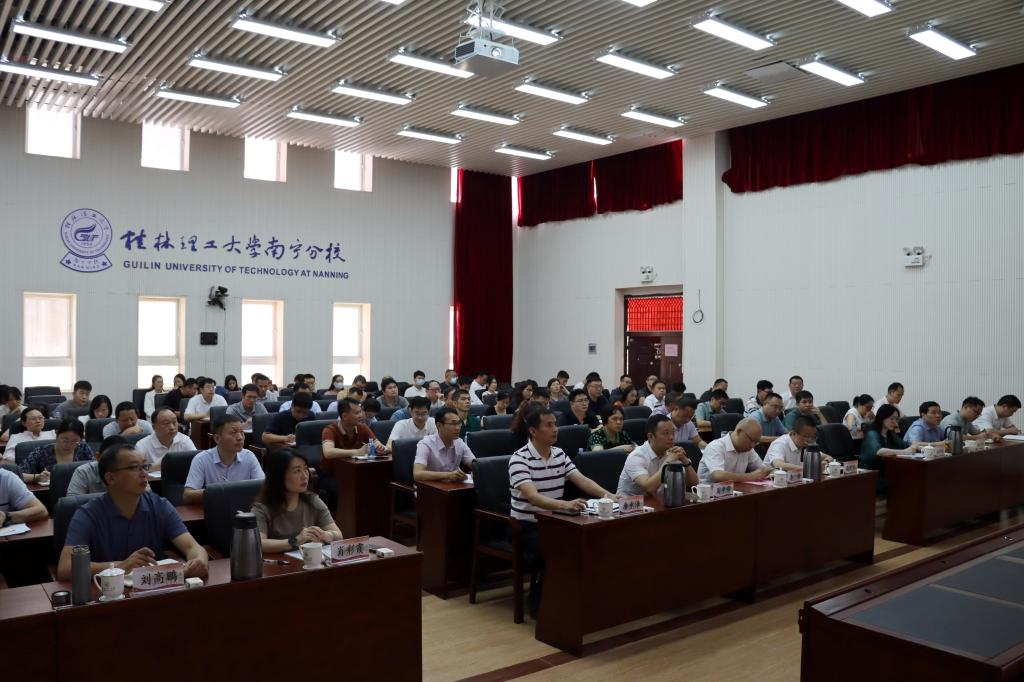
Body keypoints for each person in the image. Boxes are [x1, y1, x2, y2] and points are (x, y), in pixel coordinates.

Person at [509, 409, 617, 618]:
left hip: (556, 521)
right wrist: (565, 505)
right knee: (559, 550)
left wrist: (609, 495)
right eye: (548, 425)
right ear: (533, 431)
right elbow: (533, 497)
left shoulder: (559, 453)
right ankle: (542, 605)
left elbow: (582, 480)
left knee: (590, 543)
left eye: (555, 424)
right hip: (527, 526)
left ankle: (579, 601)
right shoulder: (519, 459)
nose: (555, 429)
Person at [58, 444, 208, 580]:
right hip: (108, 592)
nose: (144, 474)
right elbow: (65, 568)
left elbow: (192, 547)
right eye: (135, 468)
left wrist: (198, 561)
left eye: (144, 466)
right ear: (110, 478)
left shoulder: (159, 505)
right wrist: (120, 566)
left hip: (154, 589)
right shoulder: (88, 514)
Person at [252, 449, 342, 553]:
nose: (304, 476)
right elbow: (258, 544)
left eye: (305, 469)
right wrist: (296, 540)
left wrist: (327, 535)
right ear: (279, 476)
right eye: (297, 471)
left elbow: (338, 535)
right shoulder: (262, 508)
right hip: (277, 561)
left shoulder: (312, 501)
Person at [182, 414, 264, 504]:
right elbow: (188, 496)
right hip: (215, 509)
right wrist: (225, 492)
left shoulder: (249, 456)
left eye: (241, 432)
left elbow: (263, 489)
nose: (240, 437)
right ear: (217, 438)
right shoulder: (201, 459)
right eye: (233, 433)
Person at [616, 414, 698, 495]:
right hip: (630, 502)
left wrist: (685, 461)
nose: (671, 437)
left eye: (673, 432)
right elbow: (649, 488)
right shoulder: (636, 456)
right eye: (666, 433)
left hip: (659, 501)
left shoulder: (671, 453)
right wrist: (668, 462)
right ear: (650, 436)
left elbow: (695, 484)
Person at [697, 418, 770, 483]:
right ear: (739, 432)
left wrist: (770, 471)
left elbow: (763, 469)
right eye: (751, 440)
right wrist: (751, 476)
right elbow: (718, 476)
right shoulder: (715, 447)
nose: (753, 446)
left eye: (756, 442)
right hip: (708, 492)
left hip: (735, 490)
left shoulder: (748, 449)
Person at [19, 419, 94, 483]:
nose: (69, 444)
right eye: (65, 440)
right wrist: (36, 477)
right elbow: (18, 474)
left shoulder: (83, 448)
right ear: (57, 435)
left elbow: (95, 470)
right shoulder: (41, 452)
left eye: (75, 441)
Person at [413, 407, 476, 482]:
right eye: (453, 424)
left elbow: (474, 464)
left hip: (453, 486)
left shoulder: (459, 442)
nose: (457, 428)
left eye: (459, 423)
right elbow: (417, 474)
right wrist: (448, 475)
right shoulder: (426, 444)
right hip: (430, 487)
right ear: (439, 425)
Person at [860, 405, 917, 485]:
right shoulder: (872, 433)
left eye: (896, 419)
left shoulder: (890, 433)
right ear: (882, 417)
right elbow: (879, 451)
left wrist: (920, 447)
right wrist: (905, 452)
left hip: (887, 470)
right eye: (892, 419)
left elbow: (905, 445)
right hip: (871, 473)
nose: (895, 423)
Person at [763, 416, 832, 473]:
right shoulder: (780, 443)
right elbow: (778, 464)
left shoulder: (809, 444)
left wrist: (824, 462)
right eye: (806, 436)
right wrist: (806, 469)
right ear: (793, 433)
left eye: (813, 436)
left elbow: (829, 457)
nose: (810, 440)